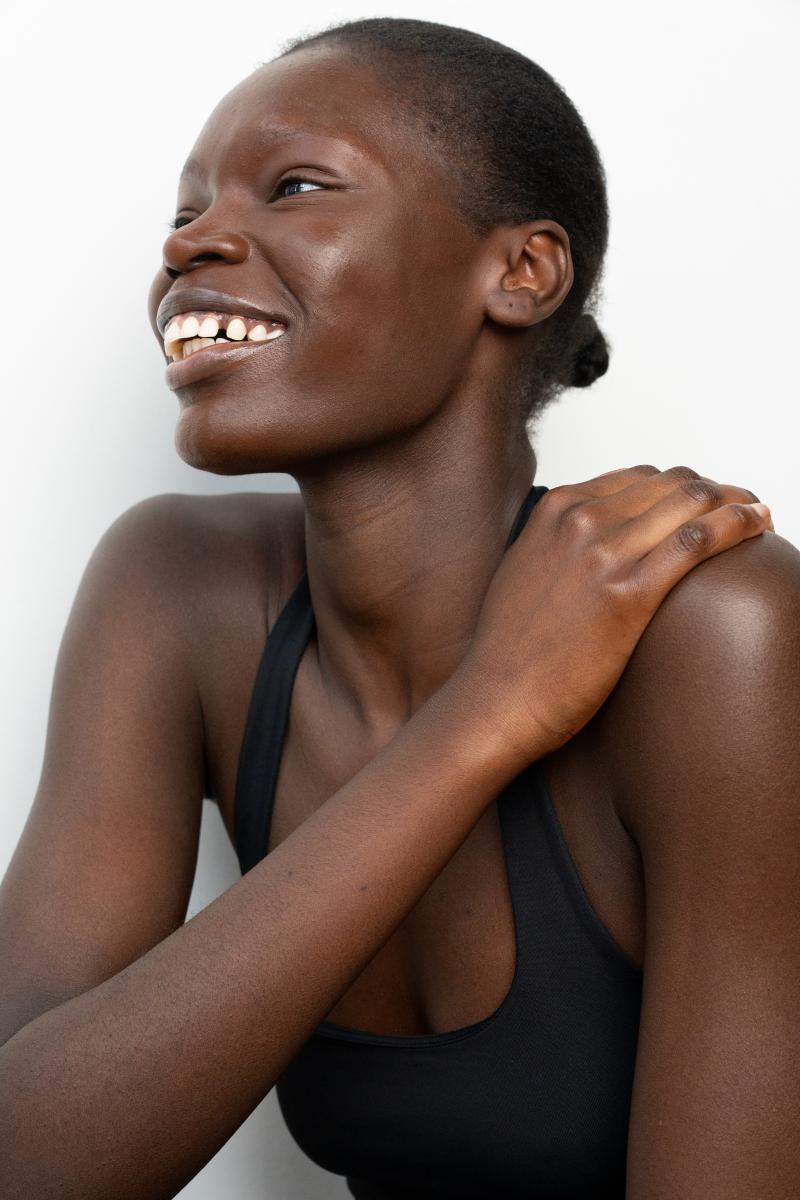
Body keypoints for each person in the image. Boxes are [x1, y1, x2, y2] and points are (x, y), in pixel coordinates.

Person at [0, 16, 797, 1200]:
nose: (189, 244)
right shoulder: (173, 592)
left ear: (518, 273)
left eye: (294, 186)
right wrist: (483, 718)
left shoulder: (713, 629)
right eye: (186, 212)